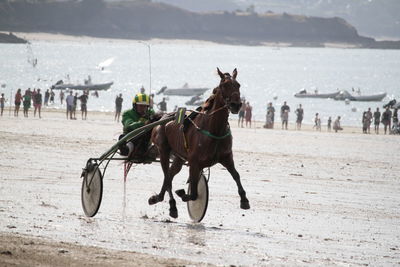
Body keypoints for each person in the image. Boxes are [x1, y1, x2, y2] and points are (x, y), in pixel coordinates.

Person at [120, 93, 157, 160]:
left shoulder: (151, 113)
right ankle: (127, 149)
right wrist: (144, 123)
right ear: (135, 105)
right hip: (132, 140)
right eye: (140, 106)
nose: (142, 108)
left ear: (147, 106)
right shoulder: (127, 113)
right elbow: (128, 126)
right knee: (122, 138)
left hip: (146, 142)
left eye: (145, 106)